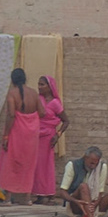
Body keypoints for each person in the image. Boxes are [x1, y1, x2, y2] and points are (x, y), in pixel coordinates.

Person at [0, 68, 42, 205]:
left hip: (16, 133)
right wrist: (30, 118)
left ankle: (8, 198)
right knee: (29, 164)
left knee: (11, 163)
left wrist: (5, 136)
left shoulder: (12, 94)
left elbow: (11, 115)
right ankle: (27, 198)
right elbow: (42, 112)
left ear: (12, 80)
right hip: (31, 134)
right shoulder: (34, 93)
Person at [34, 75, 68, 203]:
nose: (39, 87)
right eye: (39, 84)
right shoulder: (38, 100)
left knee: (45, 166)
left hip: (48, 137)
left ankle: (46, 193)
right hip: (36, 136)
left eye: (42, 84)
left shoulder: (55, 103)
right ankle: (38, 193)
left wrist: (57, 135)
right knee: (36, 165)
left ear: (50, 87)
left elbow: (66, 121)